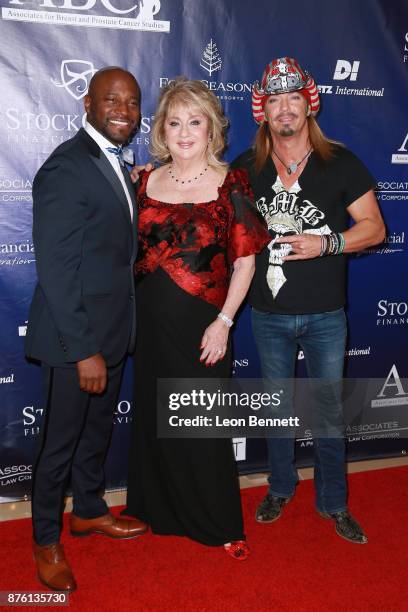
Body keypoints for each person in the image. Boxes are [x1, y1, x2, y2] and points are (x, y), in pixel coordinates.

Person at [232, 57, 385, 544]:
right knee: (277, 408)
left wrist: (327, 242)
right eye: (273, 99)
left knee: (328, 411)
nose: (284, 108)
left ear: (308, 104)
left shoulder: (340, 161)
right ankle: (280, 486)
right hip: (269, 312)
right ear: (263, 110)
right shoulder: (245, 167)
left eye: (292, 97)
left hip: (324, 315)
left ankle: (334, 502)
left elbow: (375, 229)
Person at [123, 78, 270, 559]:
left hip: (203, 323)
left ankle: (218, 522)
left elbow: (246, 262)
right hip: (148, 322)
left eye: (195, 121)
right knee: (154, 414)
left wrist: (224, 322)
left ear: (211, 130)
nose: (184, 131)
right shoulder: (143, 181)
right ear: (163, 130)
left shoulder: (233, 182)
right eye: (175, 121)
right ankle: (157, 509)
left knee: (201, 422)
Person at [25, 67, 147, 592]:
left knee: (96, 434)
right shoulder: (66, 167)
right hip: (75, 342)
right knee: (60, 444)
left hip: (113, 331)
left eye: (132, 101)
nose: (123, 109)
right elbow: (55, 269)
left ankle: (90, 510)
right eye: (111, 99)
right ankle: (46, 539)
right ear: (88, 105)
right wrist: (83, 351)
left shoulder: (113, 162)